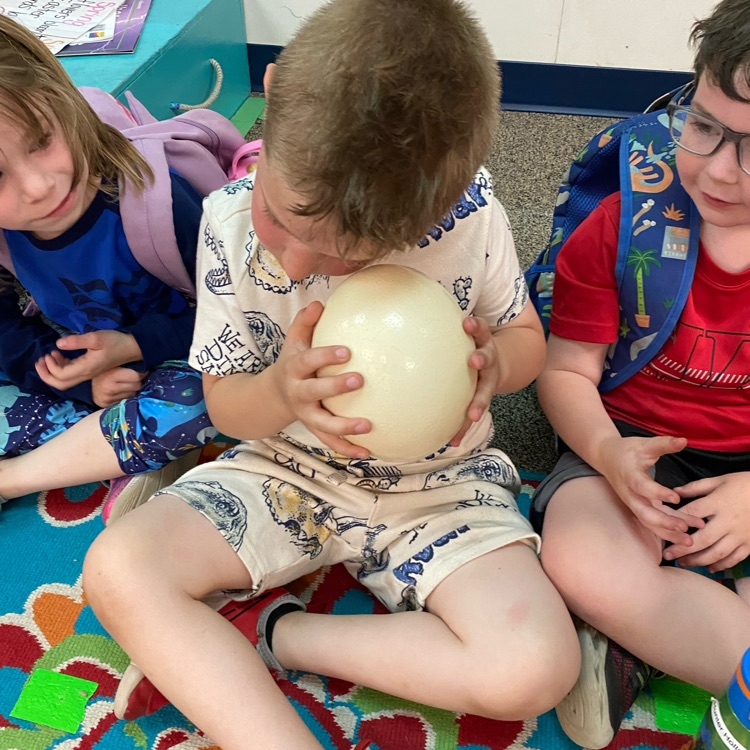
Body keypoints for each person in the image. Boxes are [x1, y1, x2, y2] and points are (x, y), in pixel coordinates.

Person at [82, 0, 580, 747]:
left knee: (535, 670)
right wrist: (280, 390)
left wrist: (495, 363)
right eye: (283, 218)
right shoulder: (226, 221)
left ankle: (277, 631)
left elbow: (524, 337)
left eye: (351, 255)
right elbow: (226, 405)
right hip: (283, 467)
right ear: (273, 95)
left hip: (437, 485)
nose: (295, 262)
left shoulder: (472, 218)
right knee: (118, 569)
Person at [529, 0, 750, 746]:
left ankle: (637, 646)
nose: (719, 168)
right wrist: (607, 454)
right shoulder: (624, 226)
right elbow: (565, 372)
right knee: (578, 554)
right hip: (629, 444)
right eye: (705, 127)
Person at [0, 15, 216, 517]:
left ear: (64, 102)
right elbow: (6, 335)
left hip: (182, 352)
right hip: (87, 372)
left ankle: (26, 473)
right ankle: (107, 449)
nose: (38, 187)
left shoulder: (156, 198)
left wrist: (137, 345)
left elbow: (239, 313)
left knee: (198, 404)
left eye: (41, 140)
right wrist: (78, 381)